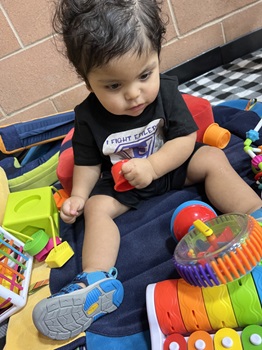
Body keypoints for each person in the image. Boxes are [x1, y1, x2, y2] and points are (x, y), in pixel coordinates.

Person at [33, 0, 262, 340]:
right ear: (87, 81)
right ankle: (96, 284)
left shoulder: (166, 91)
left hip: (172, 165)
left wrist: (154, 165)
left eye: (144, 75)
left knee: (212, 159)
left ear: (157, 57)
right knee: (96, 209)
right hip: (124, 185)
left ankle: (254, 215)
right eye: (113, 86)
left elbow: (185, 138)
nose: (134, 93)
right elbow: (88, 162)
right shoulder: (87, 116)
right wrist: (78, 196)